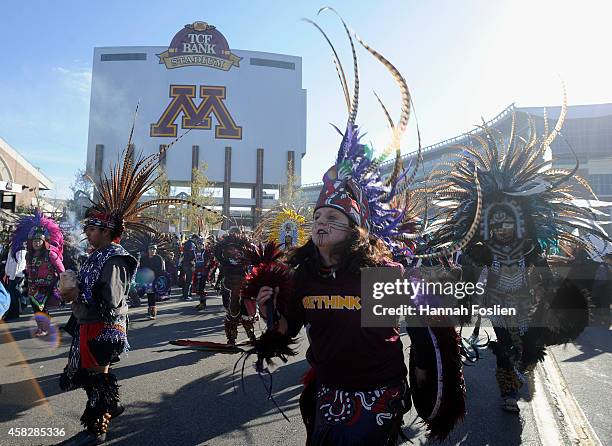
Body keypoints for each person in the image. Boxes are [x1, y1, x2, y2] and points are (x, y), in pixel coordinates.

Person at [249, 16, 465, 443]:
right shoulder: (304, 276)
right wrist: (269, 310)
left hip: (378, 394)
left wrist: (426, 370)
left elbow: (418, 323)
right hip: (326, 393)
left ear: (356, 231)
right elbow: (286, 331)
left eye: (333, 219)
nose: (321, 224)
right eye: (318, 219)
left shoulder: (377, 275)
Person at [10, 211, 64, 336]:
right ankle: (43, 327)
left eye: (39, 240)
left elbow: (61, 269)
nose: (36, 243)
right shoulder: (29, 255)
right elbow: (28, 270)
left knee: (40, 306)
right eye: (34, 240)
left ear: (44, 241)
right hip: (34, 285)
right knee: (36, 307)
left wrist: (64, 282)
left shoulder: (50, 253)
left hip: (48, 285)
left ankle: (44, 329)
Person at [139, 244, 166, 319]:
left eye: (154, 249)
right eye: (151, 249)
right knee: (149, 294)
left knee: (152, 295)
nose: (152, 251)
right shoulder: (143, 259)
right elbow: (141, 269)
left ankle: (152, 312)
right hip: (147, 279)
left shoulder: (158, 258)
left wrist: (159, 279)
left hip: (155, 279)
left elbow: (161, 270)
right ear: (148, 250)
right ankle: (150, 309)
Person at [3, 241, 26, 320]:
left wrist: (12, 276)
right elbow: (9, 261)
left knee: (12, 294)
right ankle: (16, 309)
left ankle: (14, 312)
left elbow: (19, 264)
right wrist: (7, 273)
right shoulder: (13, 247)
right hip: (12, 275)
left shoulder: (20, 249)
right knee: (14, 293)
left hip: (16, 275)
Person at [180, 235, 197, 300]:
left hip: (184, 263)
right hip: (189, 264)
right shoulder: (191, 244)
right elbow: (193, 255)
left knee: (185, 280)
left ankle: (184, 294)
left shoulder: (186, 243)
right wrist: (193, 261)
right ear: (194, 238)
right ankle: (186, 295)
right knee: (189, 280)